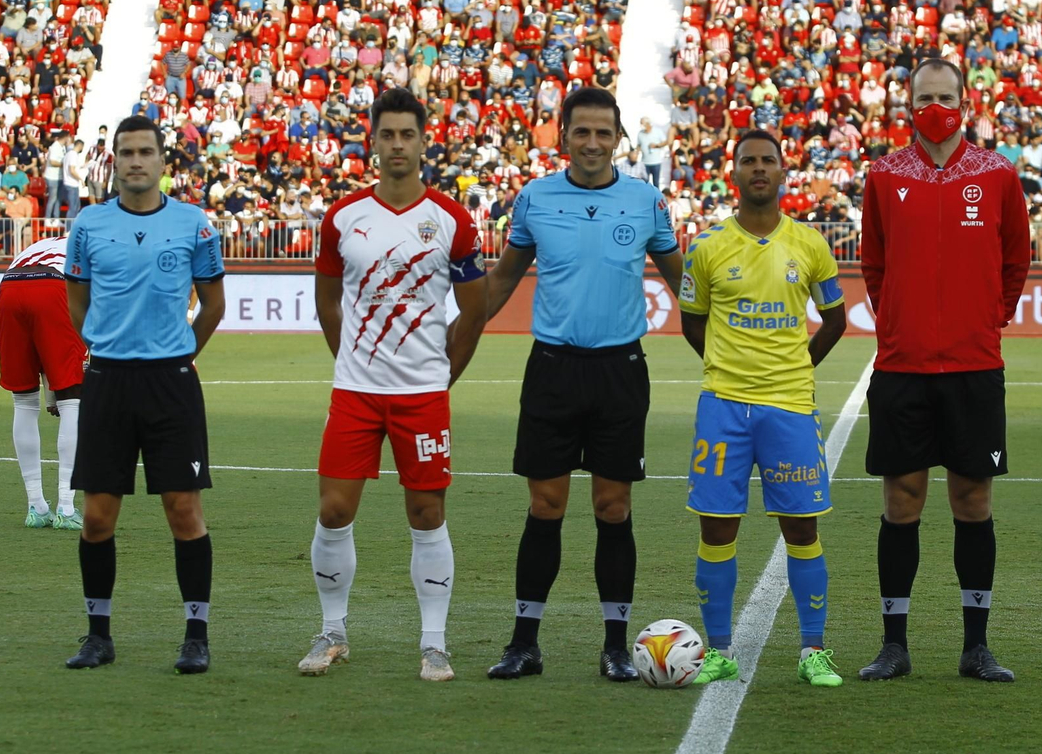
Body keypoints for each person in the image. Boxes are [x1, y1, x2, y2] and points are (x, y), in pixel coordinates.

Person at [483, 86, 684, 682]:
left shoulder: (646, 202)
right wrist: (452, 341)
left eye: (603, 132)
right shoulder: (534, 198)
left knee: (612, 506)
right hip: (553, 370)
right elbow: (500, 284)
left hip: (619, 371)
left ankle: (616, 646)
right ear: (563, 135)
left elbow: (685, 286)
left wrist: (719, 346)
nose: (592, 143)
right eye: (581, 132)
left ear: (618, 138)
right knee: (545, 505)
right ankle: (524, 643)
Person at [299, 89, 489, 683]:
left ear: (424, 141)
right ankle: (333, 630)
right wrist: (353, 359)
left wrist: (440, 374)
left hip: (423, 397)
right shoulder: (343, 218)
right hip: (355, 393)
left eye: (409, 135)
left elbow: (474, 310)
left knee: (427, 513)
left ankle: (434, 642)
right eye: (388, 135)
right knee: (333, 511)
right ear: (373, 141)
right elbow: (327, 301)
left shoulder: (452, 221)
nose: (398, 145)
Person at [856, 58, 1031, 683]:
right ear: (908, 105)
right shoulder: (884, 174)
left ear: (966, 100)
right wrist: (897, 321)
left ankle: (976, 645)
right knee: (901, 502)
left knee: (972, 500)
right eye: (925, 97)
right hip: (902, 365)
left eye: (946, 95)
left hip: (973, 364)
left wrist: (988, 320)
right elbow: (872, 262)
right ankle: (894, 644)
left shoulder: (997, 174)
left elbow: (1017, 259)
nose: (937, 106)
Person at [679, 129, 850, 688]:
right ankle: (720, 649)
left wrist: (796, 367)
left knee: (801, 529)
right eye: (748, 161)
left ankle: (813, 651)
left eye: (767, 161)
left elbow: (835, 320)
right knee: (717, 528)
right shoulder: (706, 247)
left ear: (782, 173)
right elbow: (692, 321)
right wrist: (730, 366)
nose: (758, 168)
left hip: (790, 407)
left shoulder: (809, 244)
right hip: (723, 407)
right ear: (733, 174)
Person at [62, 115, 227, 675]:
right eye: (126, 152)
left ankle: (196, 635)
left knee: (184, 510)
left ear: (162, 160)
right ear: (115, 161)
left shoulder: (194, 223)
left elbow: (214, 305)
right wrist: (105, 345)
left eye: (145, 152)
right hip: (107, 381)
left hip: (170, 383)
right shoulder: (88, 224)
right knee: (97, 518)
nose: (136, 161)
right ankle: (98, 634)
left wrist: (180, 354)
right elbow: (76, 301)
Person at [0, 235, 87, 530]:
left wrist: (51, 395)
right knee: (73, 400)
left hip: (9, 287)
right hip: (54, 286)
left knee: (23, 401)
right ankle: (66, 506)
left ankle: (36, 506)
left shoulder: (48, 242)